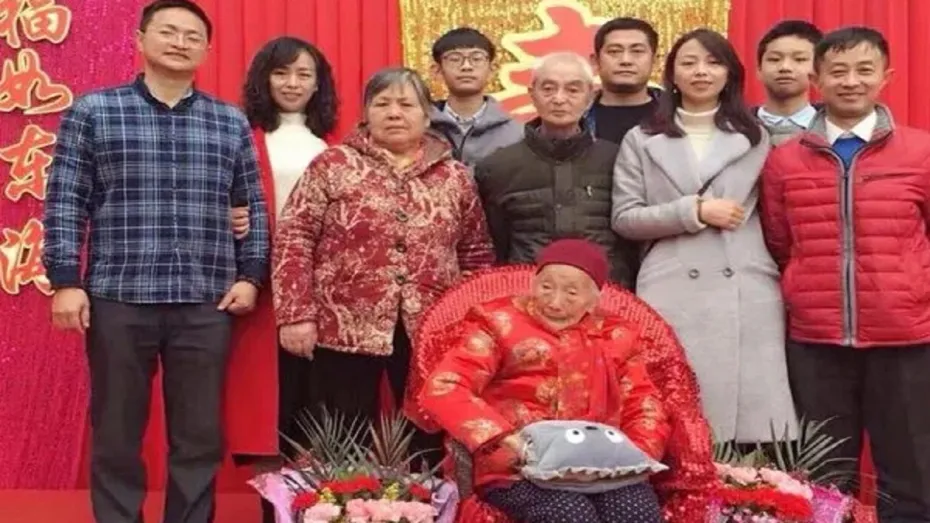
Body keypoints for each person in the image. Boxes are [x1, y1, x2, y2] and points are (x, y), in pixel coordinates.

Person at [42, 1, 270, 522]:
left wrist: (251, 275)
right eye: (168, 31)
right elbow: (66, 199)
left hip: (205, 299)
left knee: (199, 436)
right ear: (140, 39)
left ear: (207, 50)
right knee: (117, 432)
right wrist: (64, 280)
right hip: (119, 296)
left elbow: (251, 204)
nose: (179, 42)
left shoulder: (229, 121)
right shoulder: (94, 111)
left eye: (192, 36)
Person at [271, 67, 494, 469]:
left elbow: (475, 253)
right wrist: (295, 314)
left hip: (431, 327)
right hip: (342, 324)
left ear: (427, 114)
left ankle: (425, 500)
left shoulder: (455, 176)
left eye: (406, 104)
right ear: (365, 113)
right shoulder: (333, 164)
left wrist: (470, 324)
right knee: (341, 433)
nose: (394, 113)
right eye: (382, 103)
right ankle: (344, 499)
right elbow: (294, 238)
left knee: (427, 432)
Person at [760, 27, 930, 521]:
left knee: (911, 469)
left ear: (885, 77)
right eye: (838, 71)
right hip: (816, 338)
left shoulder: (921, 152)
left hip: (904, 335)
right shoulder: (785, 160)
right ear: (817, 79)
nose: (851, 81)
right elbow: (779, 240)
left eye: (864, 70)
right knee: (825, 474)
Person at [611, 28, 796, 445]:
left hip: (745, 285)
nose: (701, 72)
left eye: (714, 63)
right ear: (672, 74)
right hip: (672, 283)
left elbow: (775, 217)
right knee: (674, 417)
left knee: (749, 431)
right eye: (689, 62)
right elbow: (624, 218)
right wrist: (692, 211)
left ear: (730, 74)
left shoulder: (755, 136)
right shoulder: (642, 138)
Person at [419, 238, 669, 522]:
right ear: (533, 282)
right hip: (518, 466)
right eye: (546, 287)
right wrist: (504, 439)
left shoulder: (617, 336)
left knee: (635, 511)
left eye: (571, 293)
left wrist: (633, 456)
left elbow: (644, 406)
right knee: (570, 513)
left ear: (594, 299)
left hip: (601, 464)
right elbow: (445, 387)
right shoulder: (498, 323)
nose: (555, 302)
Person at [229, 36, 338, 523]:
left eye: (303, 74)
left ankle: (316, 508)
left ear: (318, 85)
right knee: (268, 406)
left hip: (324, 290)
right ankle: (272, 510)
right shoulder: (242, 136)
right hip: (258, 285)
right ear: (264, 79)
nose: (292, 84)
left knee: (318, 400)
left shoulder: (335, 145)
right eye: (281, 73)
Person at [476, 52, 639, 289]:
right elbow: (496, 243)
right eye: (548, 89)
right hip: (526, 292)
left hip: (606, 293)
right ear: (532, 94)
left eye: (572, 90)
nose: (559, 99)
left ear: (590, 96)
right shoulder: (497, 167)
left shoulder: (618, 159)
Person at [429, 27, 523, 166]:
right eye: (455, 59)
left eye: (476, 59)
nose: (466, 66)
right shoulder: (423, 128)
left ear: (492, 69)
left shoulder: (516, 134)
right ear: (437, 71)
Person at [584, 17, 662, 145]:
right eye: (614, 51)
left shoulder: (678, 113)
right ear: (596, 61)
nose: (626, 60)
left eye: (637, 51)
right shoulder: (574, 116)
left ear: (655, 61)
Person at [754, 20, 823, 145]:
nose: (785, 67)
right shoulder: (736, 128)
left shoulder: (835, 129)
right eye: (774, 59)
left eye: (799, 59)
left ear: (818, 69)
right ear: (759, 69)